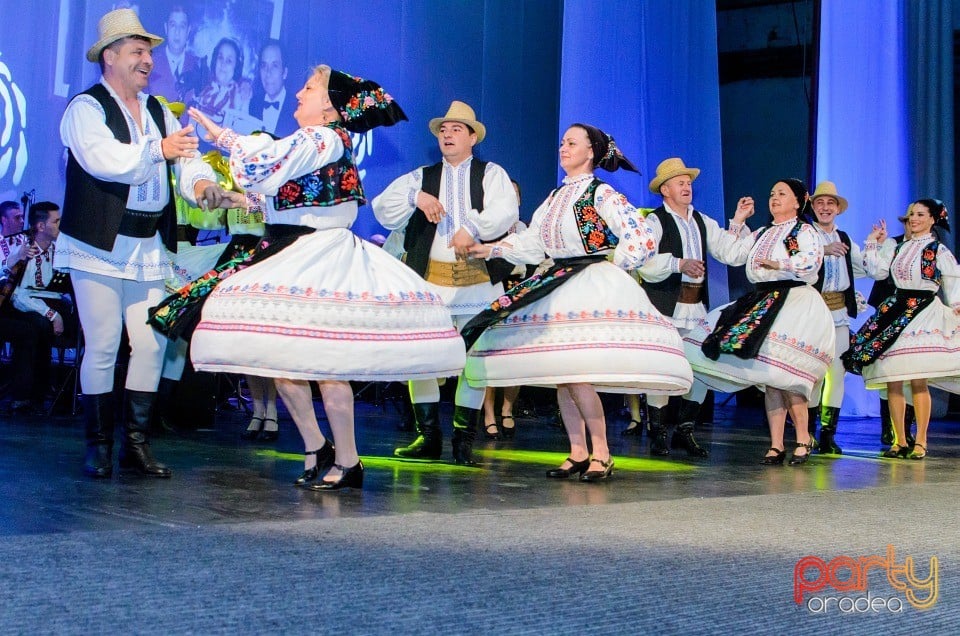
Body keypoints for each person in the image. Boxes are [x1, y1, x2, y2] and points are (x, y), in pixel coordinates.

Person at [187, 64, 466, 490]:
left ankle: (349, 460)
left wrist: (221, 136)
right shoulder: (321, 143)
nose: (299, 93)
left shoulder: (319, 137)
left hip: (319, 257)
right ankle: (317, 447)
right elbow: (294, 200)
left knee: (326, 365)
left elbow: (266, 163)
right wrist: (232, 197)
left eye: (308, 87)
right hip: (296, 249)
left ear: (330, 107)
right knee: (285, 363)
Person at [464, 124, 693, 482]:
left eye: (572, 143)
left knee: (579, 376)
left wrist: (614, 264)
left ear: (591, 152)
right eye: (562, 142)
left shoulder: (601, 193)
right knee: (564, 377)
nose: (563, 147)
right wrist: (491, 248)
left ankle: (602, 453)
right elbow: (532, 243)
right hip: (557, 281)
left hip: (588, 281)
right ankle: (578, 452)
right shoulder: (556, 197)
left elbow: (641, 234)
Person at [57, 8, 229, 479]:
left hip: (147, 244)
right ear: (110, 57)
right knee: (105, 343)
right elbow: (104, 160)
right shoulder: (86, 108)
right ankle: (98, 446)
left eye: (149, 53)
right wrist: (159, 150)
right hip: (97, 242)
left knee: (152, 344)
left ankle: (136, 444)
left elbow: (187, 159)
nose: (147, 61)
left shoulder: (157, 110)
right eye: (137, 51)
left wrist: (202, 186)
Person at [372, 101, 519, 465]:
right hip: (432, 282)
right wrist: (416, 197)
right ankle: (428, 436)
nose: (447, 134)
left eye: (456, 129)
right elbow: (381, 208)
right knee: (420, 357)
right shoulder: (421, 177)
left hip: (477, 283)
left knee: (477, 362)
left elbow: (506, 211)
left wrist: (472, 226)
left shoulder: (491, 173)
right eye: (443, 130)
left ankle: (465, 438)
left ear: (472, 137)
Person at [682, 179, 835, 466]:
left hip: (794, 301)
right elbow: (732, 254)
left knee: (788, 377)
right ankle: (776, 444)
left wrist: (781, 265)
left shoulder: (803, 231)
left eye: (782, 194)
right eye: (772, 193)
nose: (775, 198)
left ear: (798, 201)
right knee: (770, 378)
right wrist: (739, 222)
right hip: (763, 301)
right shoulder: (762, 232)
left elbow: (811, 262)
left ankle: (803, 437)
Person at [636, 158, 754, 457]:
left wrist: (739, 222)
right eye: (680, 182)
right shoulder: (654, 222)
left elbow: (731, 253)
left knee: (700, 367)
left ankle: (685, 429)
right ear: (665, 189)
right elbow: (644, 263)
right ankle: (659, 432)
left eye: (688, 182)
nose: (686, 186)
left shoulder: (702, 221)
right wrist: (678, 264)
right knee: (662, 370)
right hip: (664, 307)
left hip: (696, 308)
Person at [843, 199, 960, 460]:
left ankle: (921, 441)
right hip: (896, 307)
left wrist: (957, 305)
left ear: (933, 219)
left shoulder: (937, 249)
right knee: (893, 379)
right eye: (910, 215)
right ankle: (899, 440)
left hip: (923, 309)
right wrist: (873, 242)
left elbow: (953, 278)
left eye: (920, 214)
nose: (913, 219)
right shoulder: (897, 247)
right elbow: (878, 271)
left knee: (918, 379)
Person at [806, 181, 866, 454]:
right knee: (813, 373)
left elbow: (865, 268)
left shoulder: (844, 238)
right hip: (813, 311)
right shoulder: (807, 235)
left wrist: (874, 247)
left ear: (838, 209)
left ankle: (828, 435)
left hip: (839, 311)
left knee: (837, 373)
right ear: (813, 207)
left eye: (830, 203)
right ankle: (806, 433)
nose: (825, 207)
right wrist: (822, 251)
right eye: (820, 203)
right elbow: (797, 263)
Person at [8, 202, 71, 411]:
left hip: (53, 302)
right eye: (56, 221)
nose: (59, 226)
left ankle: (65, 393)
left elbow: (62, 289)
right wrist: (52, 314)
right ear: (41, 226)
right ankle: (32, 391)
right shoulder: (25, 252)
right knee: (38, 326)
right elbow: (18, 296)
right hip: (29, 306)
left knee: (85, 324)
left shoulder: (58, 250)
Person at [147, 5, 201, 104]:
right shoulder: (150, 62)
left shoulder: (198, 66)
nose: (177, 32)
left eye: (182, 26)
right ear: (166, 28)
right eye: (173, 25)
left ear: (188, 31)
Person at [247, 40, 298, 137]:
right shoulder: (251, 105)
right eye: (264, 66)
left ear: (284, 73)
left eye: (274, 66)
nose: (268, 73)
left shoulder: (297, 108)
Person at [194, 38, 244, 126]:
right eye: (220, 57)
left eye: (229, 61)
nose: (223, 64)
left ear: (236, 67)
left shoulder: (240, 98)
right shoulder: (206, 90)